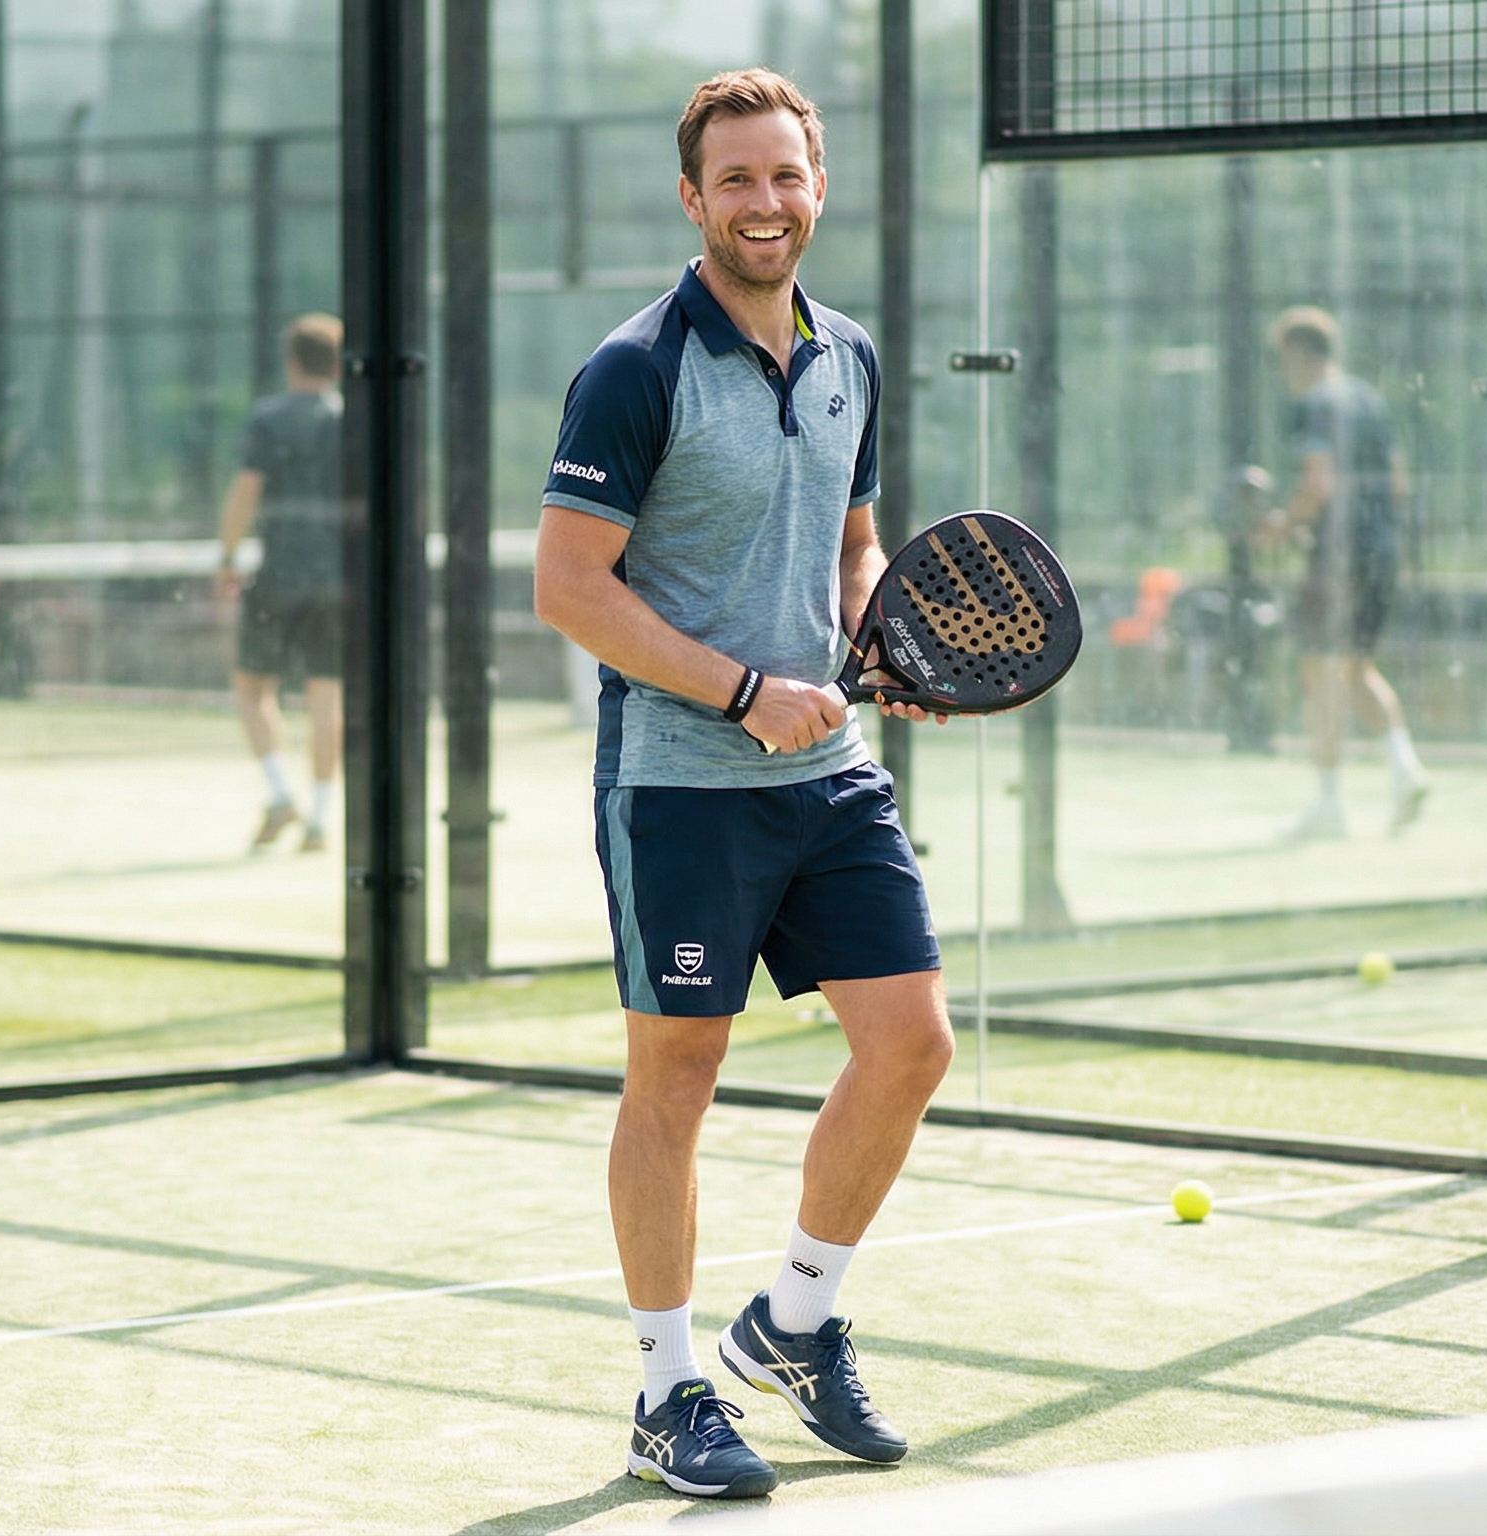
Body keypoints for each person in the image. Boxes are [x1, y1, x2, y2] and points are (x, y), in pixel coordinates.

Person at [533, 69, 953, 1503]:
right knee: (680, 1077)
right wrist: (739, 690)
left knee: (912, 1045)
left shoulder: (852, 356)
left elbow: (855, 543)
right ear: (693, 198)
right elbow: (570, 589)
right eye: (736, 181)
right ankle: (664, 1389)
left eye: (786, 176)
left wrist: (873, 631)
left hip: (831, 776)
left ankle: (796, 1319)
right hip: (679, 787)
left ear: (816, 186)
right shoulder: (635, 367)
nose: (764, 203)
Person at [1256, 307, 1429, 839]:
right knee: (1355, 668)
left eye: (1283, 358)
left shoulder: (1314, 405)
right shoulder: (1369, 402)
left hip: (1339, 556)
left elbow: (1319, 482)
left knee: (1319, 672)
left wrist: (1284, 526)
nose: (1282, 369)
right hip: (1383, 550)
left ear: (1298, 353)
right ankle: (1406, 770)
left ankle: (1330, 805)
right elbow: (1397, 483)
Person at [214, 313, 346, 853]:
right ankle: (319, 817)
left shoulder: (268, 419)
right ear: (339, 365)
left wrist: (226, 557)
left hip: (278, 575)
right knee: (326, 696)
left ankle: (279, 796)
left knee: (252, 688)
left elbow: (246, 491)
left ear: (292, 361)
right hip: (339, 579)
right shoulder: (350, 421)